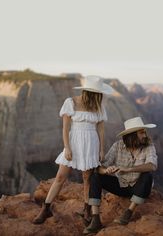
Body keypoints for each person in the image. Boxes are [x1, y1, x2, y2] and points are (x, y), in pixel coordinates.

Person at [33, 75, 114, 224]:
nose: (100, 96)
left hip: (91, 143)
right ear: (90, 92)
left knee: (87, 179)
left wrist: (102, 150)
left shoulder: (99, 106)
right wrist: (67, 148)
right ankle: (46, 209)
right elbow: (65, 128)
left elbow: (101, 129)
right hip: (74, 141)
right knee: (60, 177)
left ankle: (87, 211)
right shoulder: (70, 102)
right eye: (98, 93)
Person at [83, 117, 158, 234]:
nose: (145, 135)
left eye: (145, 132)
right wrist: (107, 170)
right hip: (121, 186)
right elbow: (99, 167)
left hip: (139, 187)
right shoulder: (118, 146)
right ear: (133, 135)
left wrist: (128, 169)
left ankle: (128, 212)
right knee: (95, 176)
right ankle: (95, 219)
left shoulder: (149, 146)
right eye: (142, 132)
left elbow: (152, 165)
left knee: (147, 175)